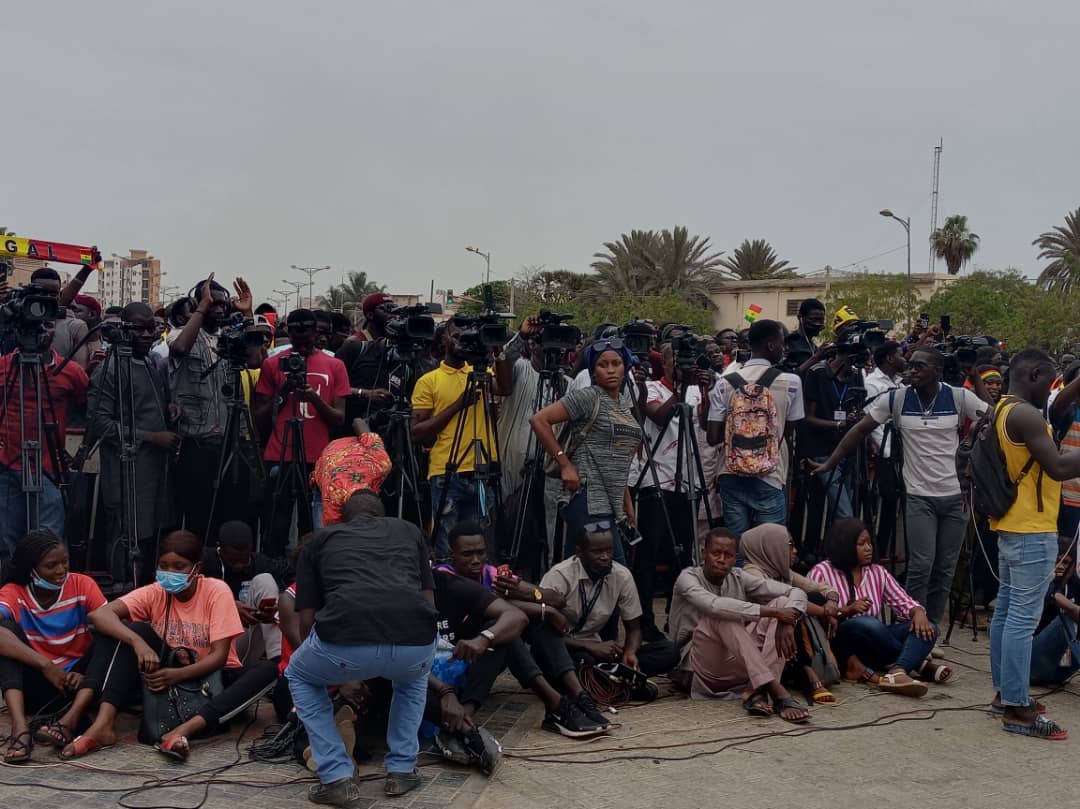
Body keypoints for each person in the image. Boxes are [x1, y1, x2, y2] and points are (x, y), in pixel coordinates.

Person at [59, 530, 278, 761]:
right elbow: (100, 616)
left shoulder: (216, 590)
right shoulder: (156, 591)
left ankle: (184, 731)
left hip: (213, 679)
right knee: (129, 632)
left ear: (196, 569)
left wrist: (178, 674)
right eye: (164, 566)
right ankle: (104, 723)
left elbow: (219, 657)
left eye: (179, 566)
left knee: (268, 670)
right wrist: (138, 643)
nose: (169, 573)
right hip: (164, 677)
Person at [811, 349, 989, 628]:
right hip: (919, 496)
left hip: (956, 497)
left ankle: (929, 628)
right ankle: (909, 625)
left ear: (938, 371)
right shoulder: (896, 398)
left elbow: (993, 417)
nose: (912, 370)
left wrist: (973, 442)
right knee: (921, 565)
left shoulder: (957, 397)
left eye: (921, 366)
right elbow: (859, 430)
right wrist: (830, 463)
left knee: (944, 569)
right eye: (911, 365)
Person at [285, 491, 437, 802]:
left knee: (299, 675)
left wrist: (328, 666)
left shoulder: (320, 540)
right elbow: (428, 601)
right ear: (381, 518)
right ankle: (403, 770)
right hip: (415, 641)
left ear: (342, 519)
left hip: (343, 642)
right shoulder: (409, 531)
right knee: (412, 681)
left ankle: (336, 776)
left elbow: (306, 619)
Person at [438, 523, 609, 737]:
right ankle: (555, 705)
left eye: (480, 553)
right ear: (451, 555)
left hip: (485, 653)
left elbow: (558, 600)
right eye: (467, 554)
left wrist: (526, 592)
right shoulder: (443, 576)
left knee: (534, 621)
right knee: (506, 628)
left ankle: (579, 695)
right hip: (455, 658)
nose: (475, 560)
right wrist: (545, 610)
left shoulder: (491, 574)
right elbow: (495, 609)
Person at [987, 349, 1080, 740]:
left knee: (1007, 614)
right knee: (1021, 620)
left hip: (1012, 525)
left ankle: (1006, 694)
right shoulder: (1025, 414)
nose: (1052, 390)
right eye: (1050, 381)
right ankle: (1017, 708)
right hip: (1031, 529)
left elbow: (1054, 440)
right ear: (1035, 374)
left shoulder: (1005, 409)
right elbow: (1058, 468)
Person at [667, 528, 810, 722]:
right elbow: (714, 605)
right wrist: (773, 612)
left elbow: (796, 592)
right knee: (722, 615)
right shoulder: (687, 578)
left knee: (782, 603)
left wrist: (788, 621)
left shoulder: (738, 576)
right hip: (697, 666)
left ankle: (756, 689)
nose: (721, 559)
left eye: (728, 555)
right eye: (716, 553)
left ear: (735, 558)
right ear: (703, 553)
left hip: (739, 662)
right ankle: (775, 689)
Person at [530, 337, 643, 564]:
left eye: (616, 363)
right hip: (588, 497)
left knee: (580, 570)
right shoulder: (589, 397)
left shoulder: (622, 404)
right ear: (593, 371)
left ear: (625, 368)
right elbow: (539, 419)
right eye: (603, 365)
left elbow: (616, 463)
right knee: (612, 570)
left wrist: (627, 507)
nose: (610, 370)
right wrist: (565, 464)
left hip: (612, 503)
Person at [87, 301, 177, 585]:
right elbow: (100, 424)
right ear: (124, 330)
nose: (149, 334)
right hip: (126, 467)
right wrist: (151, 437)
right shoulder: (109, 370)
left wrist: (169, 409)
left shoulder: (149, 362)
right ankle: (122, 588)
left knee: (151, 532)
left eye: (152, 328)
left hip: (155, 468)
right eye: (141, 328)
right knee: (126, 532)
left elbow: (145, 407)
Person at [808, 518, 948, 697]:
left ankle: (898, 670)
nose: (868, 548)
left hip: (876, 643)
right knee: (867, 623)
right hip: (841, 643)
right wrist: (847, 610)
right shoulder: (822, 572)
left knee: (929, 628)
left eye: (869, 542)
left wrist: (918, 612)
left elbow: (904, 602)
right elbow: (811, 615)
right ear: (845, 546)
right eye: (861, 544)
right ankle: (917, 663)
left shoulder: (876, 572)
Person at [0, 531, 108, 762]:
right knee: (6, 631)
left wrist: (85, 674)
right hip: (40, 682)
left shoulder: (81, 583)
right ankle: (20, 728)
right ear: (32, 569)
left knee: (108, 633)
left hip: (81, 684)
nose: (61, 570)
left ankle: (69, 721)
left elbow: (108, 621)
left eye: (65, 562)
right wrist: (46, 665)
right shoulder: (14, 592)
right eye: (51, 566)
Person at [633, 341, 713, 640]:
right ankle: (644, 621)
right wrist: (680, 388)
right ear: (664, 363)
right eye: (675, 361)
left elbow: (707, 426)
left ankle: (677, 618)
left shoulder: (695, 389)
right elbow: (657, 415)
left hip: (688, 482)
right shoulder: (652, 387)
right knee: (650, 554)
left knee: (684, 555)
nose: (680, 366)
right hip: (657, 480)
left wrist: (704, 392)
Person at [253, 308, 349, 556]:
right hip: (279, 453)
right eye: (295, 335)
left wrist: (314, 399)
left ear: (316, 332)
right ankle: (273, 570)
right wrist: (283, 393)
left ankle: (306, 575)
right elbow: (259, 416)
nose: (301, 341)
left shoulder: (335, 365)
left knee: (311, 523)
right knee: (276, 521)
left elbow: (339, 418)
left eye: (306, 334)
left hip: (317, 456)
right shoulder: (273, 363)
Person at [168, 274, 256, 539]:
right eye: (213, 304)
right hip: (197, 441)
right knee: (198, 514)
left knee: (231, 512)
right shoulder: (181, 333)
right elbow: (181, 348)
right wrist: (202, 305)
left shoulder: (231, 335)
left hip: (231, 441)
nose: (219, 308)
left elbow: (254, 361)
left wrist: (249, 314)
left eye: (222, 304)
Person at [412, 316, 507, 559]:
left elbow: (506, 388)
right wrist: (458, 406)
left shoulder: (483, 373)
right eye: (457, 337)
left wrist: (499, 352)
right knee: (446, 546)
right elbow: (417, 432)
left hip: (482, 471)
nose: (463, 342)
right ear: (444, 339)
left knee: (480, 548)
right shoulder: (429, 380)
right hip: (446, 474)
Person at [0, 315, 89, 568]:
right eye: (34, 325)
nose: (41, 331)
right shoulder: (4, 366)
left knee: (48, 541)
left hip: (49, 468)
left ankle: (47, 599)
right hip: (6, 466)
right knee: (7, 542)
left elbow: (85, 407)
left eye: (48, 325)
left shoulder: (71, 371)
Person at [538, 527, 677, 683]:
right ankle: (611, 681)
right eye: (597, 552)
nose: (605, 557)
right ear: (580, 552)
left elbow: (634, 628)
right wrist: (587, 646)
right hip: (563, 648)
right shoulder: (560, 575)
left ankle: (608, 678)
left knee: (669, 651)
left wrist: (630, 652)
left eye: (609, 551)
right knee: (583, 661)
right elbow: (541, 635)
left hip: (598, 651)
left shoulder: (621, 575)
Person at [706, 319, 804, 536]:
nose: (784, 348)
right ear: (770, 345)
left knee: (737, 546)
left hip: (731, 472)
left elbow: (712, 437)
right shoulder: (792, 382)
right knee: (768, 547)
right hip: (770, 473)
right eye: (781, 343)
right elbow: (788, 431)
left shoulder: (724, 382)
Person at [493, 315, 569, 574]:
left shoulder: (566, 384)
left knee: (546, 534)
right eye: (542, 342)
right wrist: (522, 335)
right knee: (509, 528)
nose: (549, 350)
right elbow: (503, 366)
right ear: (532, 346)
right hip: (513, 470)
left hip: (549, 472)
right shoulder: (521, 369)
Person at [739, 523, 842, 705]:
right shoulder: (752, 573)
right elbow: (786, 602)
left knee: (813, 597)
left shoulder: (781, 571)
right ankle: (806, 673)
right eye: (789, 546)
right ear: (771, 546)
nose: (795, 551)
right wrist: (827, 612)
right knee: (789, 609)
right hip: (754, 646)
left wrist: (832, 601)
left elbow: (823, 588)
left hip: (781, 640)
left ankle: (807, 669)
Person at [201, 520, 289, 665]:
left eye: (244, 559)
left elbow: (292, 587)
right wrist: (228, 606)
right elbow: (186, 597)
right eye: (233, 560)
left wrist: (276, 611)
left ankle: (278, 662)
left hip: (243, 642)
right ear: (220, 548)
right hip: (208, 643)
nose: (239, 565)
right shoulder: (204, 560)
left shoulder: (260, 563)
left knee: (265, 579)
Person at [799, 340, 866, 521]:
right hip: (823, 451)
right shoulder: (818, 373)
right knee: (845, 511)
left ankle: (833, 547)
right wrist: (838, 424)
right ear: (844, 354)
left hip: (849, 449)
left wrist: (856, 416)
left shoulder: (856, 374)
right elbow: (808, 417)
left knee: (841, 509)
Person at [863, 341, 906, 560]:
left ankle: (892, 549)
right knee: (885, 503)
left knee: (898, 505)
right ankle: (878, 550)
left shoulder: (900, 382)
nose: (904, 358)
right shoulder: (872, 383)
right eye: (900, 354)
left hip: (902, 452)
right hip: (886, 453)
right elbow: (873, 424)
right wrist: (887, 450)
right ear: (890, 358)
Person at [335, 292, 396, 429]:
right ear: (370, 315)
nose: (392, 314)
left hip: (383, 425)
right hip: (354, 425)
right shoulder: (354, 344)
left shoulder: (393, 348)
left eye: (394, 309)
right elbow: (333, 385)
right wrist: (364, 393)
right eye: (386, 308)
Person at [1028, 536, 1080, 686]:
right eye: (1057, 561)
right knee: (1067, 616)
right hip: (1032, 663)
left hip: (1060, 669)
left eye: (1066, 562)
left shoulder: (1074, 583)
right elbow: (1052, 595)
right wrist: (1073, 608)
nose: (1060, 566)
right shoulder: (1040, 580)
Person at [29, 267, 91, 370]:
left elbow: (80, 370)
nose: (48, 298)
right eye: (42, 293)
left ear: (59, 295)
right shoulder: (14, 320)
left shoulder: (76, 327)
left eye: (53, 294)